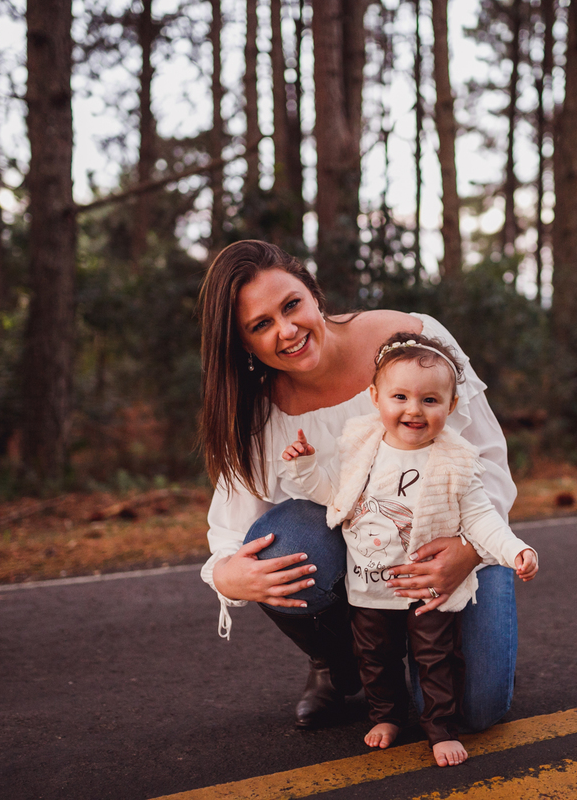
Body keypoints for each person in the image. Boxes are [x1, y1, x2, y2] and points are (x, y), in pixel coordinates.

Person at [195, 239, 521, 737]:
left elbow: (489, 460)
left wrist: (470, 549)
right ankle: (340, 663)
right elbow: (233, 527)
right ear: (243, 344)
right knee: (276, 545)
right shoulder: (256, 411)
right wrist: (225, 576)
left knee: (474, 712)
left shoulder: (412, 338)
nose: (287, 330)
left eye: (291, 305)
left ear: (313, 293)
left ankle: (426, 647)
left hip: (452, 545)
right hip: (362, 563)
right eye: (261, 325)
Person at [279, 332, 538, 767]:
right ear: (375, 398)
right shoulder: (362, 451)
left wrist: (515, 550)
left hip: (426, 589)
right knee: (375, 658)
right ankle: (388, 715)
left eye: (430, 400)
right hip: (368, 589)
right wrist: (305, 466)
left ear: (451, 407)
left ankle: (440, 727)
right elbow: (332, 495)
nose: (414, 410)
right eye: (400, 396)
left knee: (436, 657)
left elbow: (481, 518)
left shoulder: (455, 462)